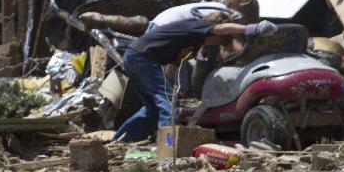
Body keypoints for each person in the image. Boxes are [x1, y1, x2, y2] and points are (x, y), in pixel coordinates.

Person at [113, 13, 277, 143]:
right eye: (217, 39)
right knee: (168, 104)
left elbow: (174, 65)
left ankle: (120, 141)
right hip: (141, 57)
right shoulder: (196, 26)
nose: (215, 43)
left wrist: (171, 86)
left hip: (136, 57)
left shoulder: (191, 42)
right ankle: (169, 147)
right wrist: (252, 28)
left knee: (153, 110)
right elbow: (220, 29)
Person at [145, 0, 260, 33]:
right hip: (162, 30)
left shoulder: (215, 6)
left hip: (160, 25)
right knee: (181, 81)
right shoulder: (218, 12)